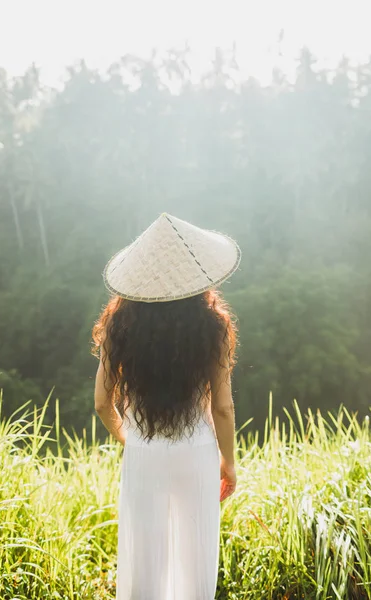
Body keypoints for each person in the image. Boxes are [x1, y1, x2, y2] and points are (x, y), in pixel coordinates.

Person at [92, 212, 241, 600]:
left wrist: (130, 441)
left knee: (145, 559)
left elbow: (101, 403)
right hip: (197, 454)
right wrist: (229, 463)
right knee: (195, 558)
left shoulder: (118, 324)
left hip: (144, 453)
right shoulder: (214, 325)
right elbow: (222, 408)